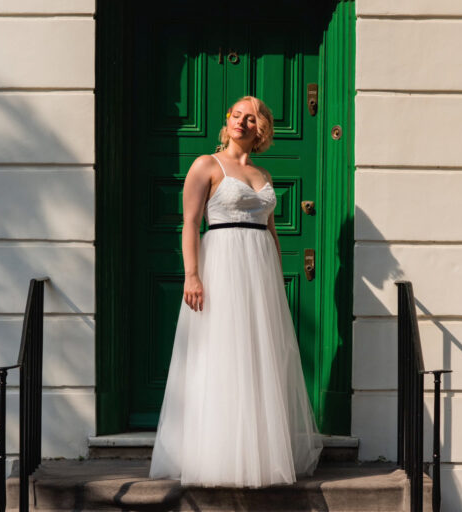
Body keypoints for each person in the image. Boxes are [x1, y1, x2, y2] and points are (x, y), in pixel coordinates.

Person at [149, 95, 323, 488]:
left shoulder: (264, 175)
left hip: (258, 274)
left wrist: (276, 280)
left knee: (256, 357)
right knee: (222, 354)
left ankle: (258, 454)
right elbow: (191, 224)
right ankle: (216, 456)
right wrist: (192, 275)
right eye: (237, 115)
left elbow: (272, 231)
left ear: (261, 128)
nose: (243, 122)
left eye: (252, 117)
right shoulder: (206, 166)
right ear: (227, 121)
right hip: (222, 267)